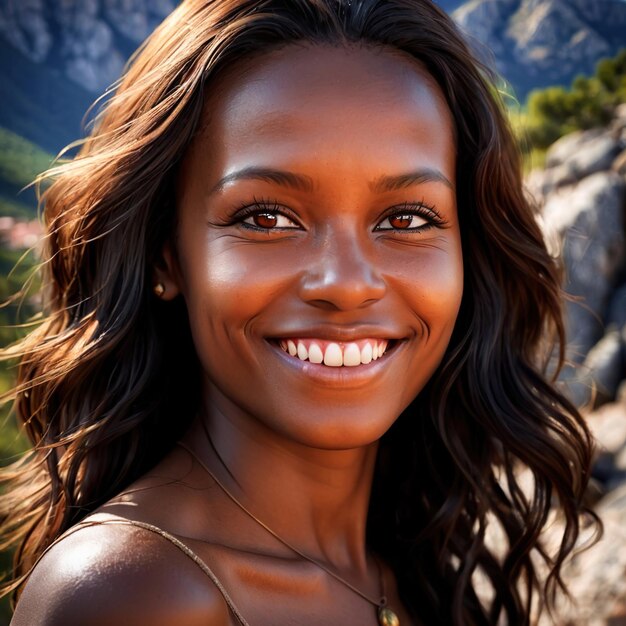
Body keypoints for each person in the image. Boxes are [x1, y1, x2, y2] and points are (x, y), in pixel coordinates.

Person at [0, 1, 597, 624]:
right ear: (165, 256)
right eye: (266, 218)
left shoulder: (407, 560)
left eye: (406, 219)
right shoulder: (133, 596)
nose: (346, 283)